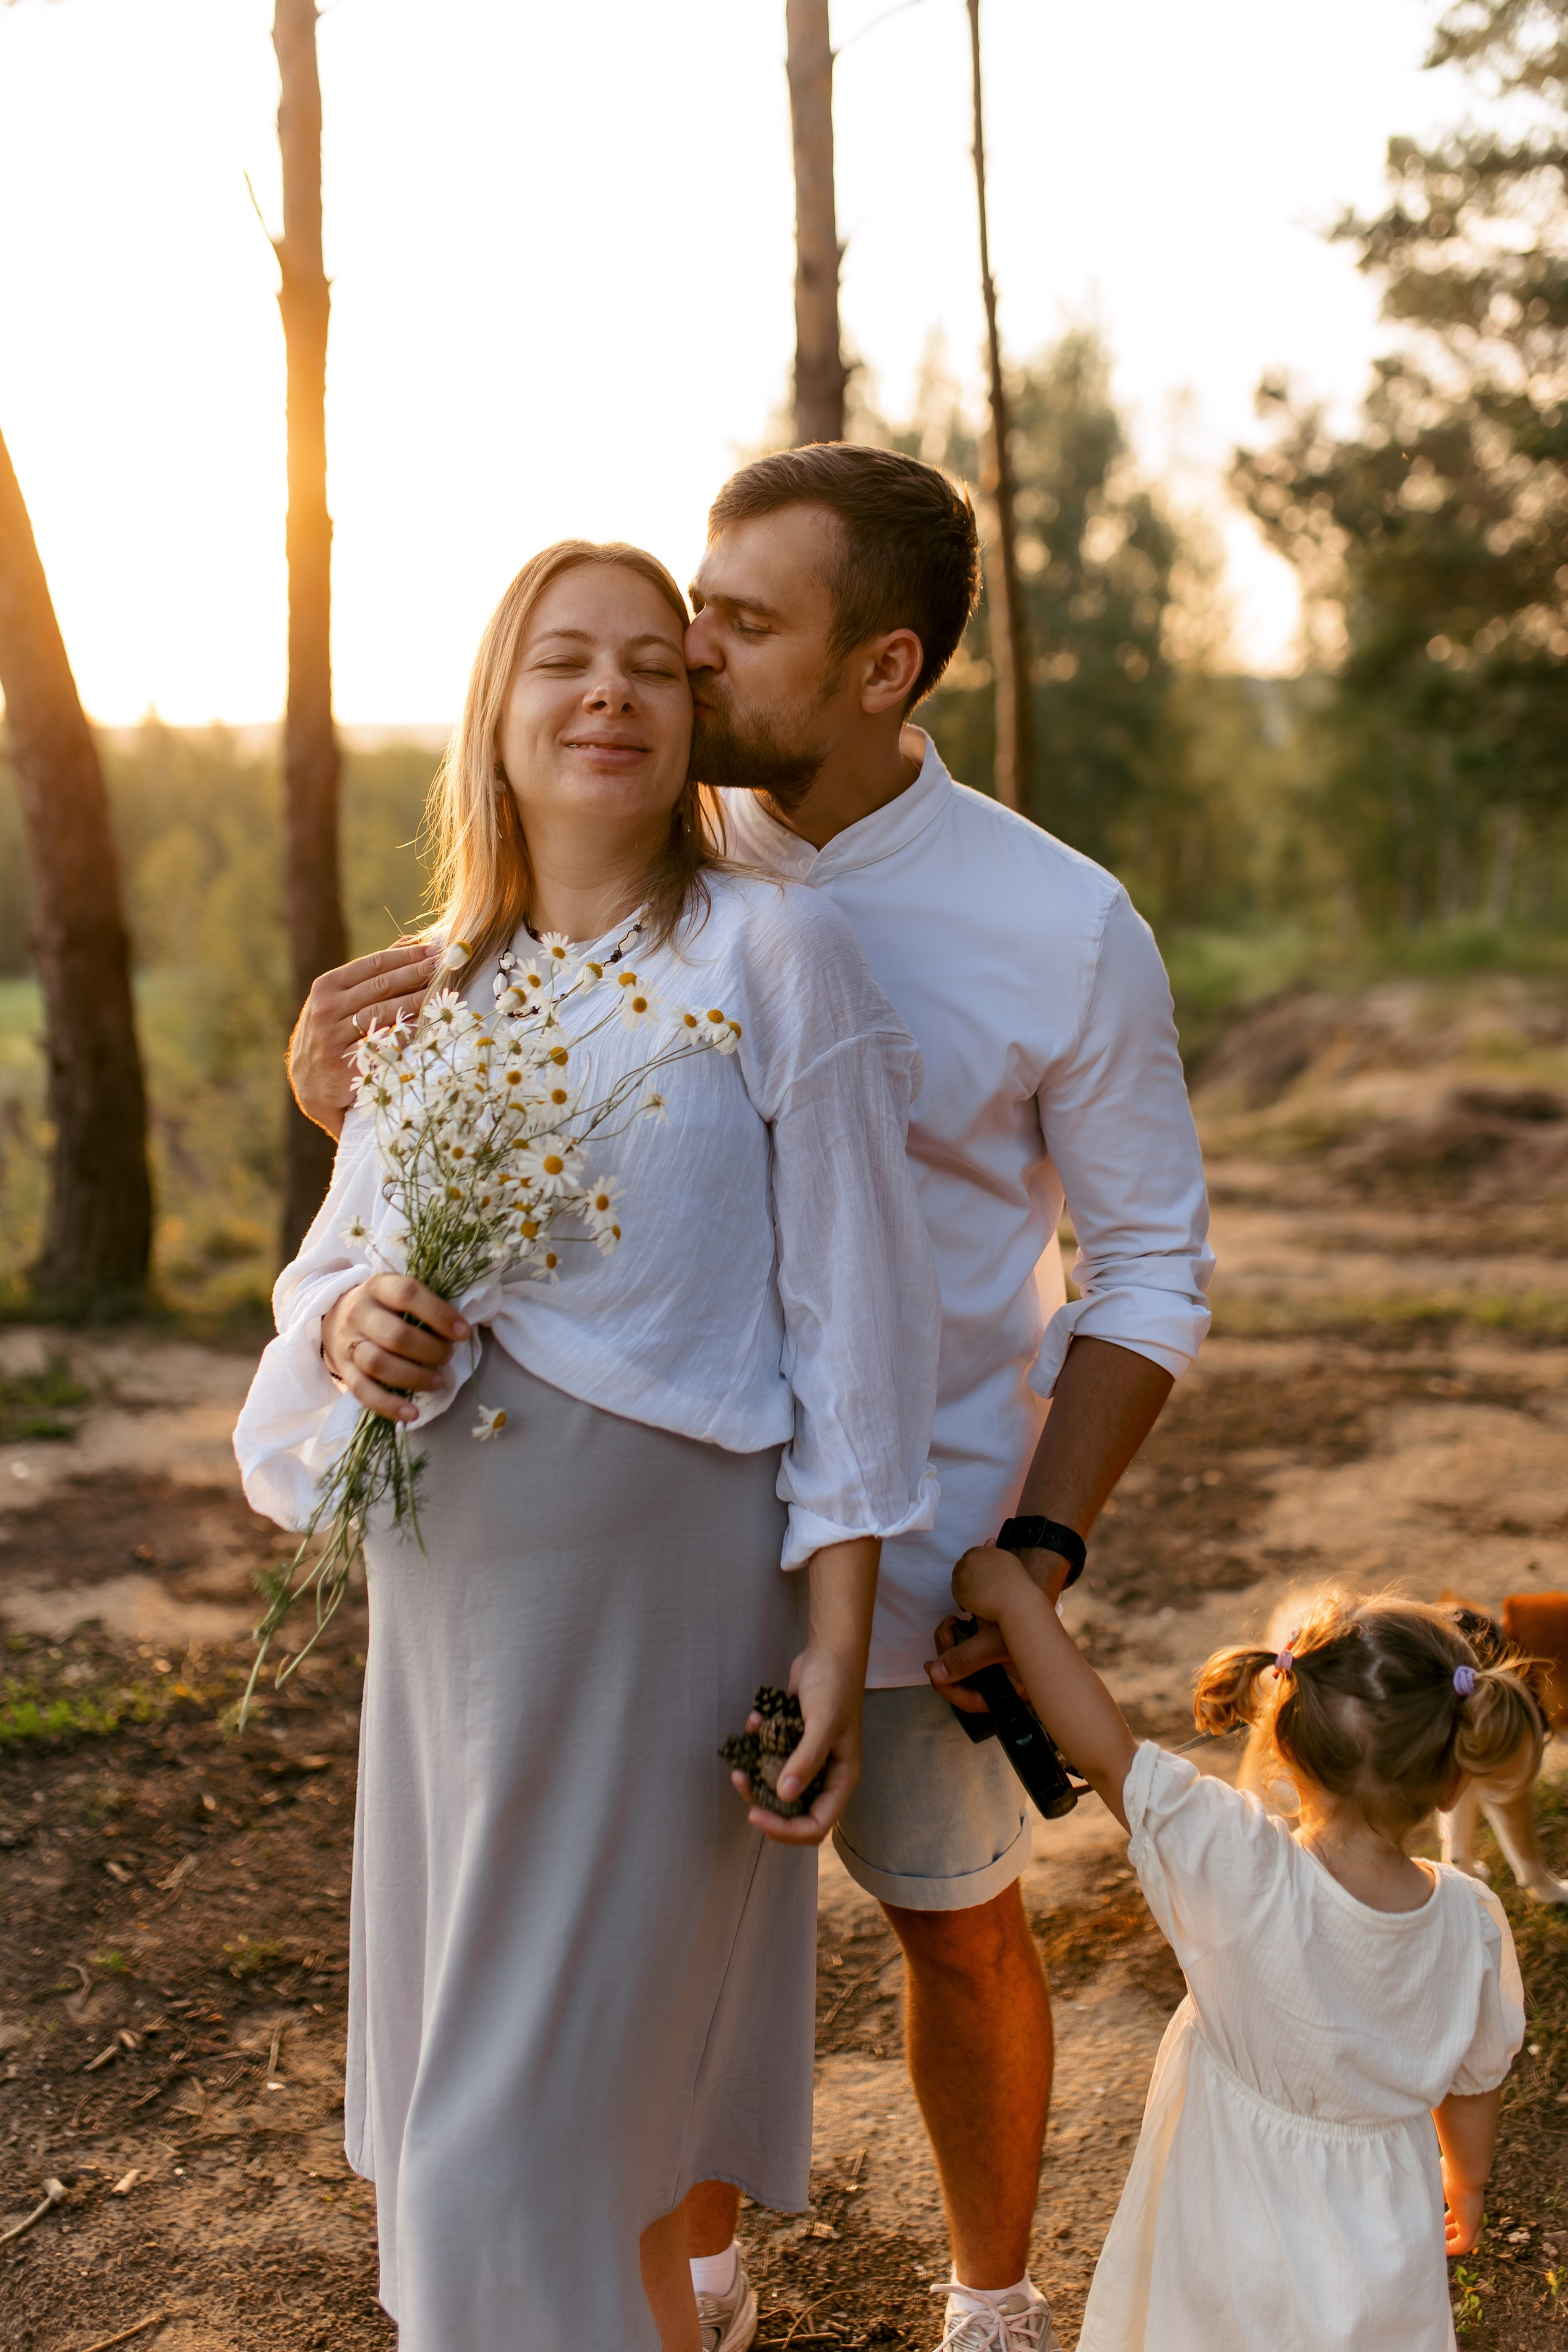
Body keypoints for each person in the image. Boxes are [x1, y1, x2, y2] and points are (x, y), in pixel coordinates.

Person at [287, 446, 1214, 2352]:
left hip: (931, 1520)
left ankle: (990, 2304)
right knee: (677, 1951)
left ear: (885, 671)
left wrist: (1031, 1544)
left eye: (738, 627)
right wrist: (355, 1119)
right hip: (673, 1542)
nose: (686, 660)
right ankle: (680, 2278)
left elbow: (1147, 1272)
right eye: (682, 613)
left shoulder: (1060, 926)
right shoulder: (643, 868)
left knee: (952, 1919)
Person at [234, 540, 943, 2352]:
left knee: (508, 2158)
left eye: (652, 661)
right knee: (577, 2160)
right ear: (499, 709)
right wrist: (348, 1319)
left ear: (693, 719)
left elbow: (856, 1321)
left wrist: (839, 1640)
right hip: (448, 1644)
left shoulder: (778, 951)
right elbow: (324, 1278)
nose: (611, 691)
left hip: (663, 1627)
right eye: (566, 660)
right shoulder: (428, 993)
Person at [938, 1560, 1529, 2350]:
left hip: (1226, 2214)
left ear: (1284, 1734)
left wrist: (1017, 1602)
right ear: (1453, 1780)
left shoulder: (1239, 1866)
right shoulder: (1474, 1924)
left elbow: (1107, 1752)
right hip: (1376, 2233)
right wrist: (1468, 2181)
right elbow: (1475, 2080)